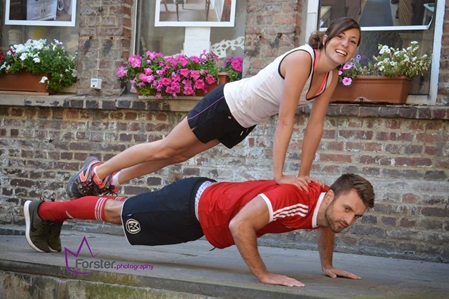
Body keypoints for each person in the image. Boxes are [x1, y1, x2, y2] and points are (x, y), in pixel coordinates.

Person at [65, 17, 361, 199]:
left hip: (242, 120)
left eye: (353, 42)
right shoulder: (302, 60)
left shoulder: (330, 77)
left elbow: (315, 126)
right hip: (226, 103)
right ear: (325, 39)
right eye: (340, 37)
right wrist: (281, 175)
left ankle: (112, 182)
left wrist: (304, 175)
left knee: (176, 156)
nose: (345, 45)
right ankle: (95, 171)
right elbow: (286, 121)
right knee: (166, 147)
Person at [25, 173, 375, 287]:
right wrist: (263, 274)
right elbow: (241, 225)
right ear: (330, 195)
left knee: (122, 211)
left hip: (200, 216)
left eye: (355, 217)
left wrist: (327, 266)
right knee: (119, 212)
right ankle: (44, 211)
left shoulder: (321, 205)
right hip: (191, 207)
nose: (348, 220)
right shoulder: (292, 196)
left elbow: (326, 223)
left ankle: (53, 214)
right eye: (347, 209)